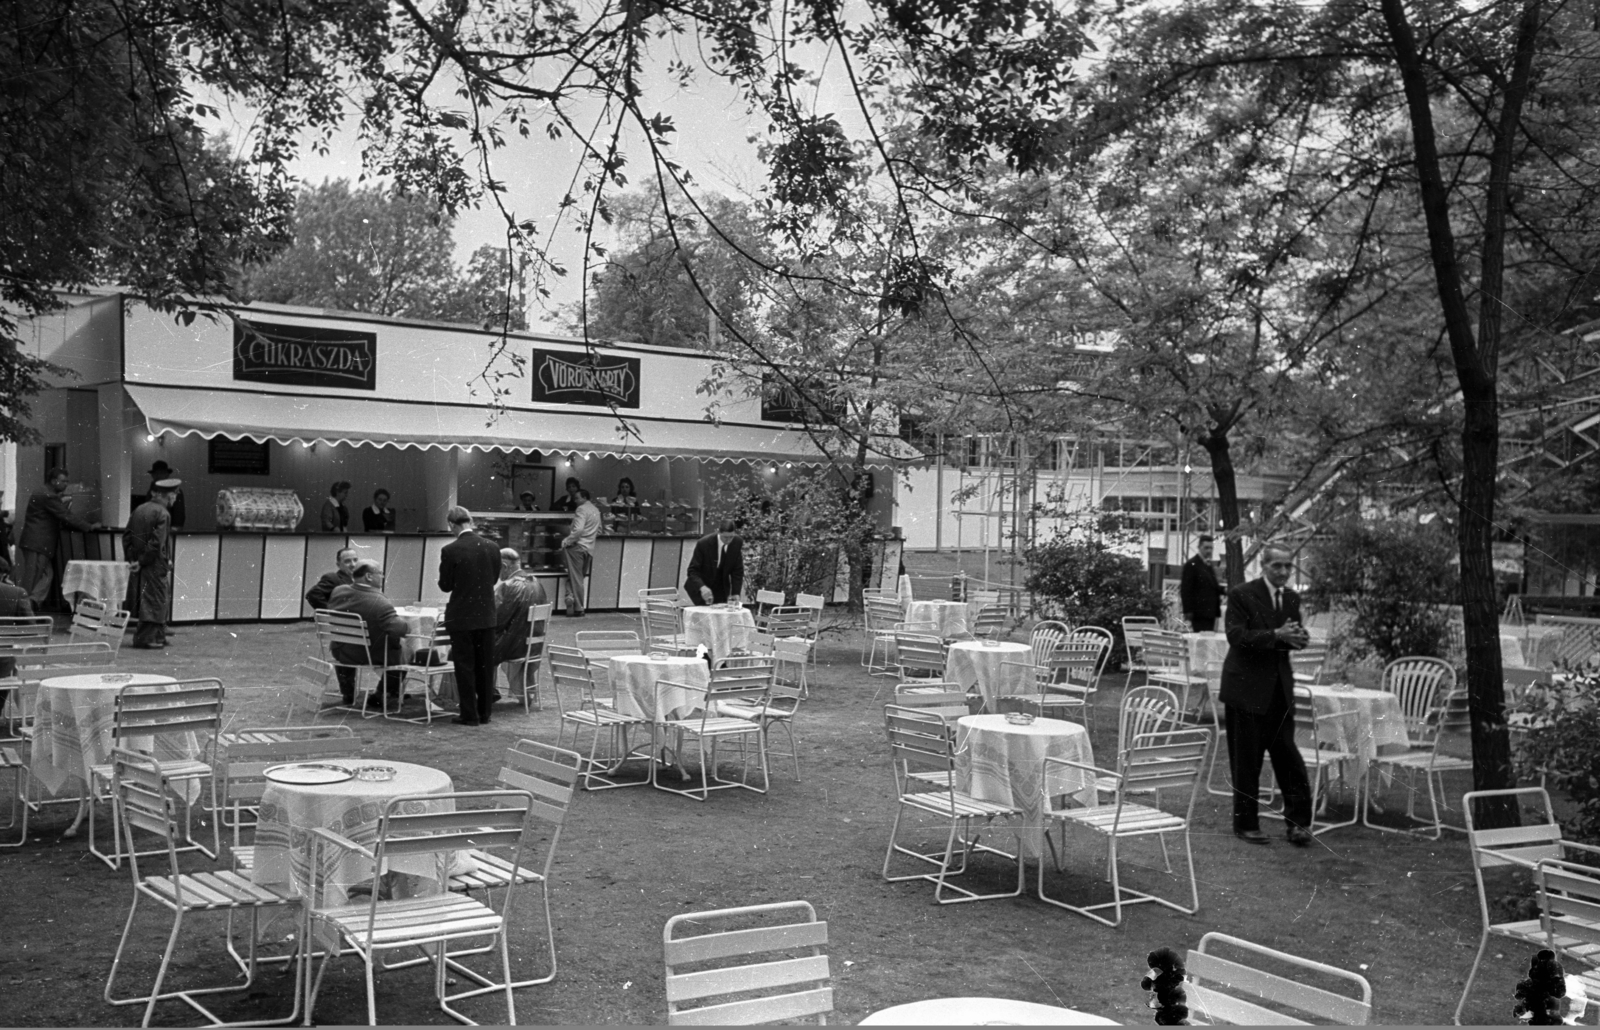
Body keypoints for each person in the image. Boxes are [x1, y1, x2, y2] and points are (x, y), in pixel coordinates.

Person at [1219, 543, 1314, 847]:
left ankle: (1298, 824)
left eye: (1288, 566)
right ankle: (1246, 825)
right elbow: (1236, 637)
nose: (1284, 572)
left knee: (1290, 760)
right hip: (1245, 691)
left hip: (1279, 694)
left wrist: (1297, 639)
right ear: (1263, 565)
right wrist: (1276, 635)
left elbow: (1290, 638)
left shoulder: (1291, 597)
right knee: (1247, 762)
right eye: (1277, 566)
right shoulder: (1241, 594)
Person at [439, 506, 502, 725]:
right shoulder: (493, 547)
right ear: (471, 521)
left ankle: (469, 714)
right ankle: (485, 713)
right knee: (485, 665)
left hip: (461, 615)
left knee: (464, 666)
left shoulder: (450, 550)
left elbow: (445, 586)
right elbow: (494, 579)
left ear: (451, 525)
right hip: (486, 615)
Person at [327, 559, 409, 707]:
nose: (382, 577)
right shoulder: (379, 601)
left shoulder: (338, 591)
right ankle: (382, 693)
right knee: (405, 650)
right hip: (368, 654)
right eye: (381, 574)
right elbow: (400, 629)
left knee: (352, 640)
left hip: (341, 650)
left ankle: (348, 692)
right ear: (369, 577)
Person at [16, 467, 99, 607]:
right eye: (63, 481)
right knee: (36, 576)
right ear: (54, 481)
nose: (66, 484)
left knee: (45, 575)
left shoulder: (42, 492)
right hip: (39, 543)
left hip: (34, 542)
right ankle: (24, 605)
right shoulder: (49, 496)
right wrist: (89, 526)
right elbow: (66, 515)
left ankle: (31, 602)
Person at [124, 479, 178, 649]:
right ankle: (147, 638)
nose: (175, 498)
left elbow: (127, 536)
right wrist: (142, 561)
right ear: (168, 496)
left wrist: (133, 559)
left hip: (142, 562)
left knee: (151, 598)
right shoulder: (163, 513)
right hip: (154, 563)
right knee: (157, 600)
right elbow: (157, 543)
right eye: (174, 494)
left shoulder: (139, 509)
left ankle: (157, 636)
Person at [493, 547, 549, 699]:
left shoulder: (508, 586)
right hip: (533, 645)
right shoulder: (536, 582)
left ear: (504, 566)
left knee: (476, 647)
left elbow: (496, 620)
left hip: (514, 647)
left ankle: (487, 692)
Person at [560, 489, 601, 617]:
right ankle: (570, 597)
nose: (575, 501)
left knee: (575, 578)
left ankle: (579, 607)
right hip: (589, 548)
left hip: (577, 547)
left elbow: (578, 530)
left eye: (577, 498)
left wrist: (567, 540)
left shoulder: (581, 509)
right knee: (577, 577)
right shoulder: (596, 510)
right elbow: (599, 530)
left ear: (584, 497)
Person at [0, 558, 35, 710]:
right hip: (2, 663)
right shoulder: (16, 593)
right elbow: (31, 629)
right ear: (3, 575)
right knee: (8, 660)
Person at [684, 521, 744, 605]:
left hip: (721, 585)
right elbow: (692, 571)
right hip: (701, 584)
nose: (729, 540)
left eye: (731, 537)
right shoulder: (703, 543)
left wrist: (736, 592)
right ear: (719, 532)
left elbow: (737, 571)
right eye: (725, 537)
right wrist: (702, 587)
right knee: (704, 614)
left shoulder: (737, 542)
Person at [1180, 534, 1226, 633]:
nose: (1209, 551)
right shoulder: (1192, 564)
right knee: (1201, 642)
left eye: (1211, 548)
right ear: (1199, 547)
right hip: (1199, 614)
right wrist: (1188, 611)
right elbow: (1186, 589)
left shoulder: (1208, 565)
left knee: (1207, 641)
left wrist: (1224, 590)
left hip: (1210, 612)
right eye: (1206, 548)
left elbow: (1212, 586)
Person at [145, 460, 186, 529]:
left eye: (161, 473)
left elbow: (179, 514)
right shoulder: (151, 490)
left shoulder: (175, 491)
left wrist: (174, 529)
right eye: (156, 473)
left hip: (167, 529)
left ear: (167, 475)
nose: (158, 476)